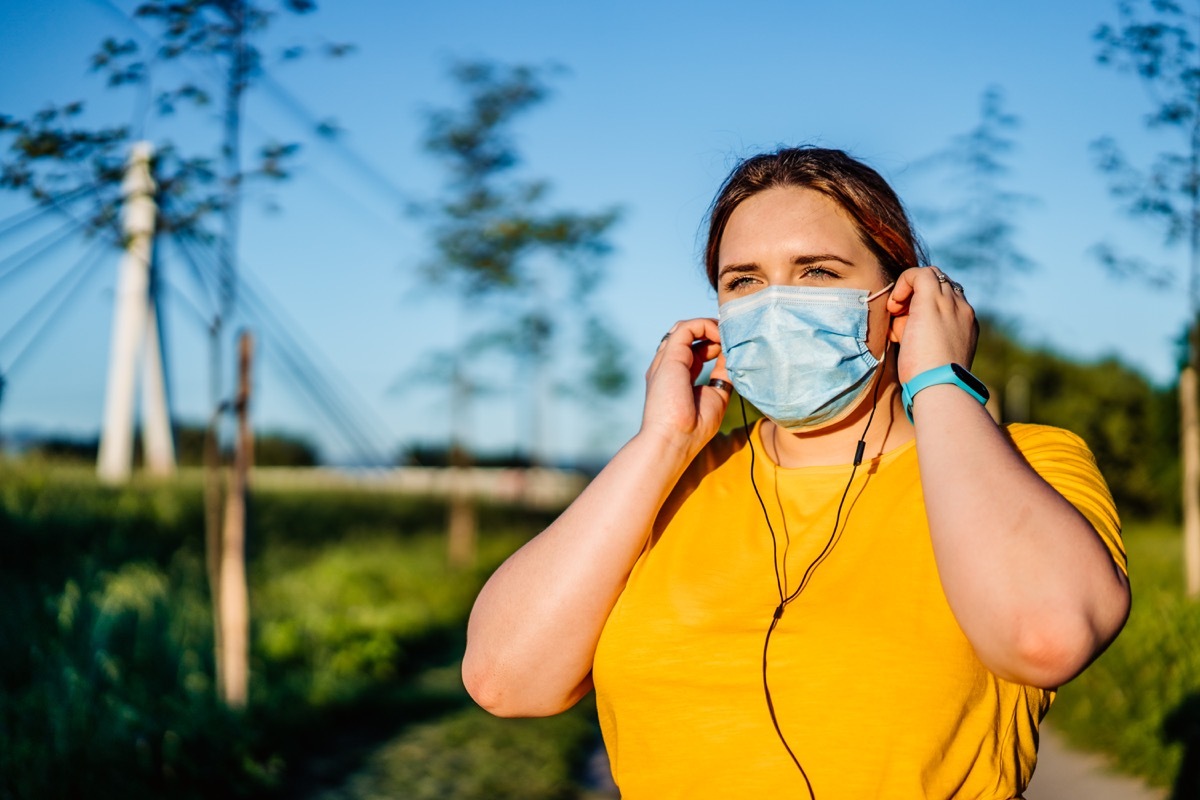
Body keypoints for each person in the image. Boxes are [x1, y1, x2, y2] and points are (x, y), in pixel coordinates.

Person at [461, 147, 1131, 799]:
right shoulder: (668, 485)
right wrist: (662, 441)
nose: (775, 305)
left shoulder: (1023, 463)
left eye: (815, 272)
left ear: (901, 300)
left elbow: (1047, 639)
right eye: (744, 281)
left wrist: (939, 380)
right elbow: (505, 680)